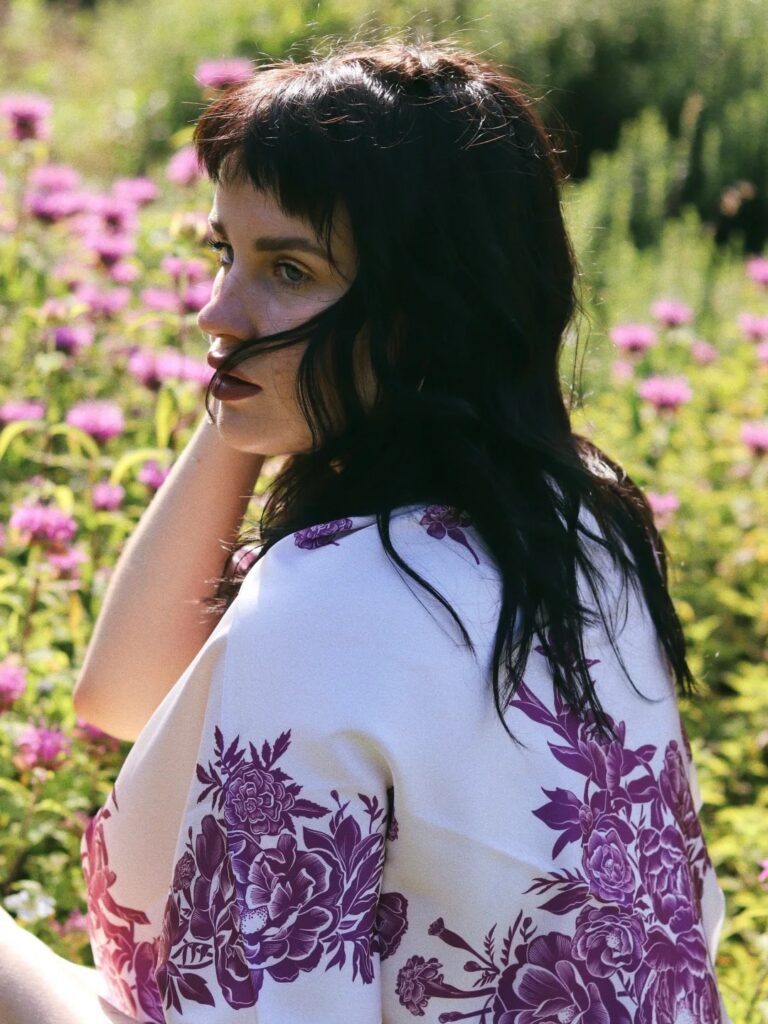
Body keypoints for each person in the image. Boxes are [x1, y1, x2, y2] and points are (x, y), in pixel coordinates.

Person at [8, 37, 730, 1024]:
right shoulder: (583, 519)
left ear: (429, 308)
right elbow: (130, 695)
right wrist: (256, 379)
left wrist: (265, 364)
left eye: (289, 268)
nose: (214, 313)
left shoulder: (329, 602)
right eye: (224, 255)